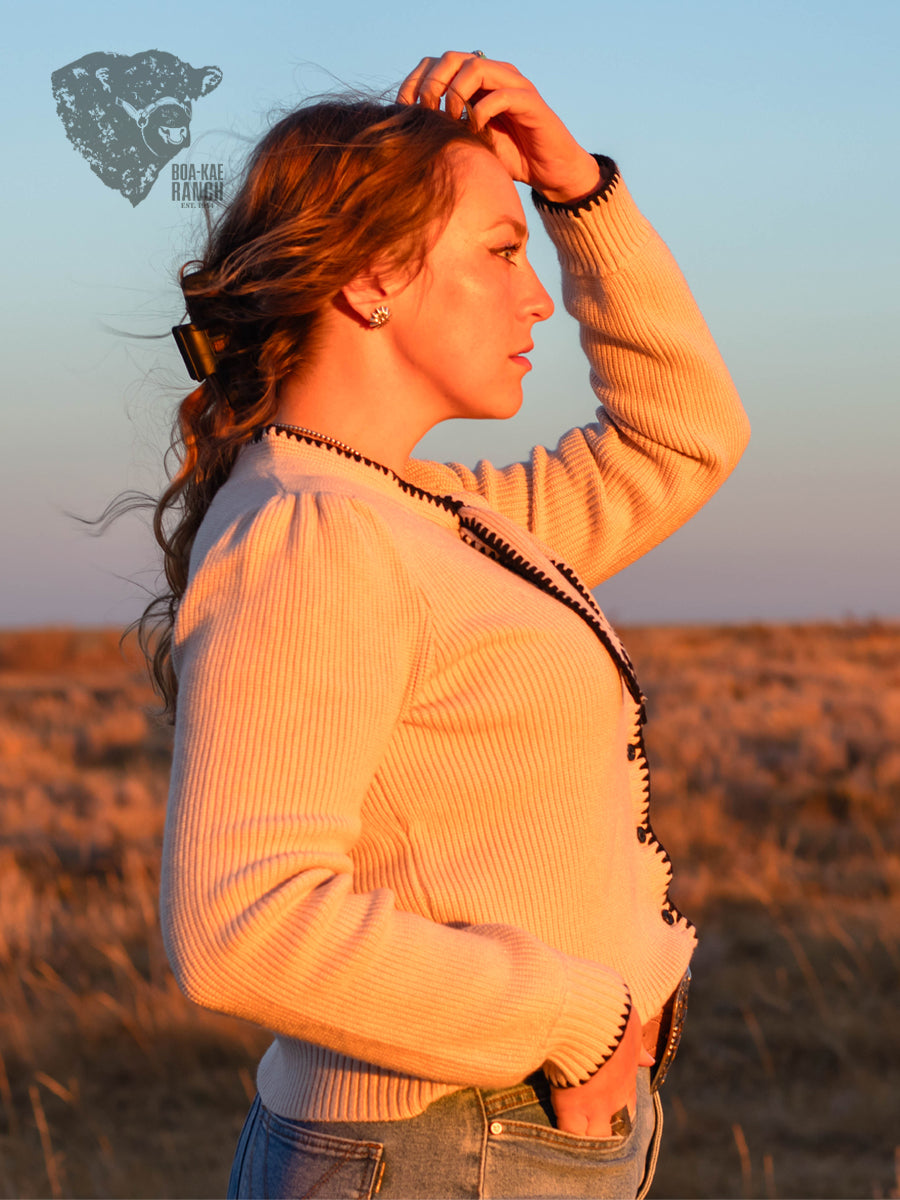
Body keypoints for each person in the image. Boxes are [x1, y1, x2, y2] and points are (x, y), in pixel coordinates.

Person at [155, 51, 750, 1199]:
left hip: (495, 1138)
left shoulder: (437, 515)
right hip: (443, 1146)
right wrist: (579, 1021)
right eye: (503, 250)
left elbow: (683, 436)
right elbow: (240, 920)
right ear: (373, 279)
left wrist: (580, 197)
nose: (538, 297)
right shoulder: (312, 534)